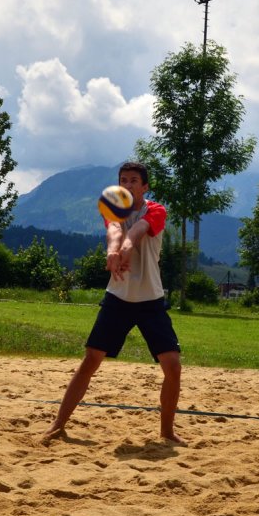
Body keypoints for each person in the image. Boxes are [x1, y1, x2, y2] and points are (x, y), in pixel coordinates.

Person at [43, 161, 184, 444]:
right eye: (123, 180)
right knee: (91, 360)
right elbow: (116, 233)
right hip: (118, 297)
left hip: (150, 300)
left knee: (173, 366)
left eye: (133, 180)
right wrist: (112, 251)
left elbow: (135, 233)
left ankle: (167, 432)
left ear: (145, 186)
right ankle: (58, 425)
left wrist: (125, 251)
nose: (128, 185)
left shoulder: (156, 210)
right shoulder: (113, 207)